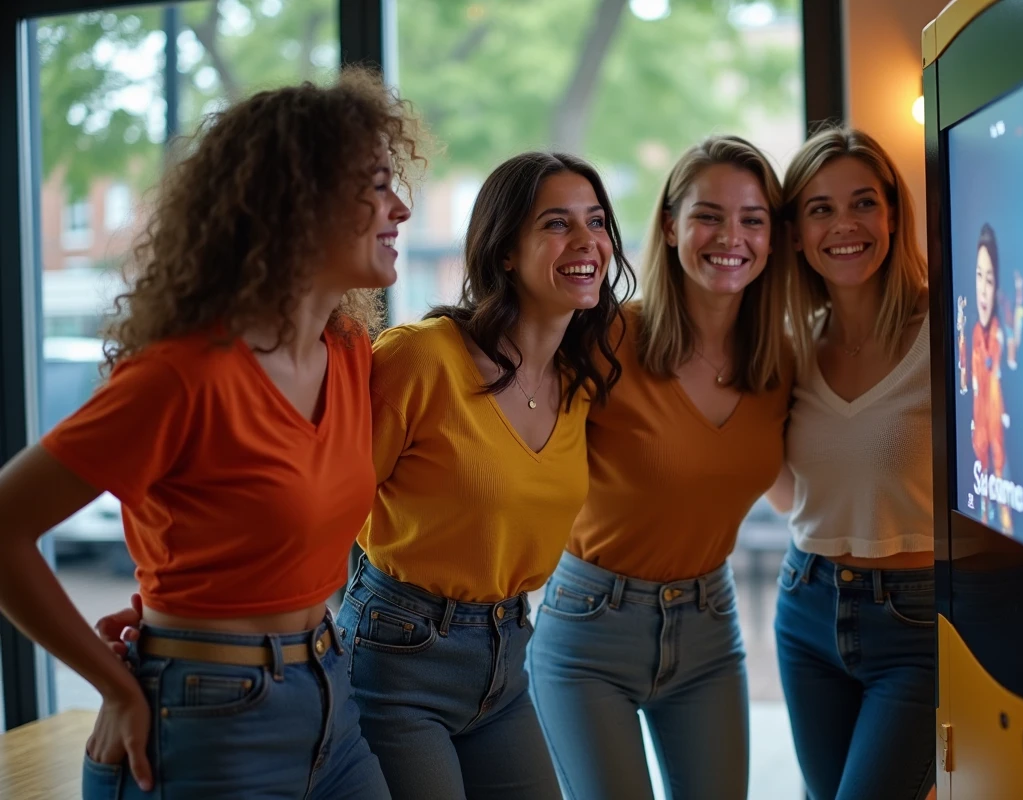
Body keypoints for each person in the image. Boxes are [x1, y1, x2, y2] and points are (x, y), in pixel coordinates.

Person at [0, 68, 421, 799]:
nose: (402, 208)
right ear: (299, 202)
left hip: (332, 697)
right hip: (205, 723)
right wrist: (117, 687)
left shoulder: (349, 351)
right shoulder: (183, 375)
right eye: (377, 186)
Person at [335, 151, 634, 798]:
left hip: (507, 656)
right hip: (397, 654)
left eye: (597, 221)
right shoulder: (423, 359)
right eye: (556, 224)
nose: (587, 241)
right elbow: (327, 514)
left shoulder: (579, 380)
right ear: (504, 252)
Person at [529, 135, 794, 800]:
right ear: (672, 225)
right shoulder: (606, 337)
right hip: (591, 630)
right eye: (709, 215)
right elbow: (519, 436)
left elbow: (801, 494)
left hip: (709, 627)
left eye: (753, 219)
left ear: (772, 238)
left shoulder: (782, 364)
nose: (730, 237)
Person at [766, 125, 935, 800]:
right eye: (821, 209)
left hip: (918, 621)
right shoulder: (793, 346)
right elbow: (789, 491)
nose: (845, 225)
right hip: (806, 604)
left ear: (892, 214)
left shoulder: (949, 331)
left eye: (864, 202)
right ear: (797, 234)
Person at [956, 222, 1023, 534]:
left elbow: (1011, 357)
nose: (982, 290)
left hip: (999, 447)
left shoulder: (1000, 332)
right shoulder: (972, 334)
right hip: (977, 450)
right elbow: (963, 383)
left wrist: (1018, 302)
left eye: (989, 278)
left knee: (1005, 522)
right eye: (978, 276)